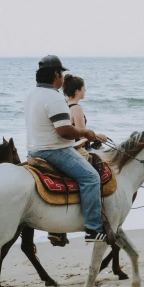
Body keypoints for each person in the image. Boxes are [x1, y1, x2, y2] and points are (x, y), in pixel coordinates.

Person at [24, 55, 110, 243]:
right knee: (91, 177)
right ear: (56, 74)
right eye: (61, 73)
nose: (62, 78)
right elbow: (64, 131)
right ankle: (94, 229)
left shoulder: (32, 94)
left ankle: (58, 227)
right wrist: (86, 133)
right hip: (54, 151)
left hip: (33, 150)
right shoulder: (54, 97)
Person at [62, 75, 106, 151]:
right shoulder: (76, 108)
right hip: (79, 148)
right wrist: (97, 136)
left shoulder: (65, 105)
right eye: (83, 88)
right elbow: (82, 136)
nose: (85, 91)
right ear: (77, 92)